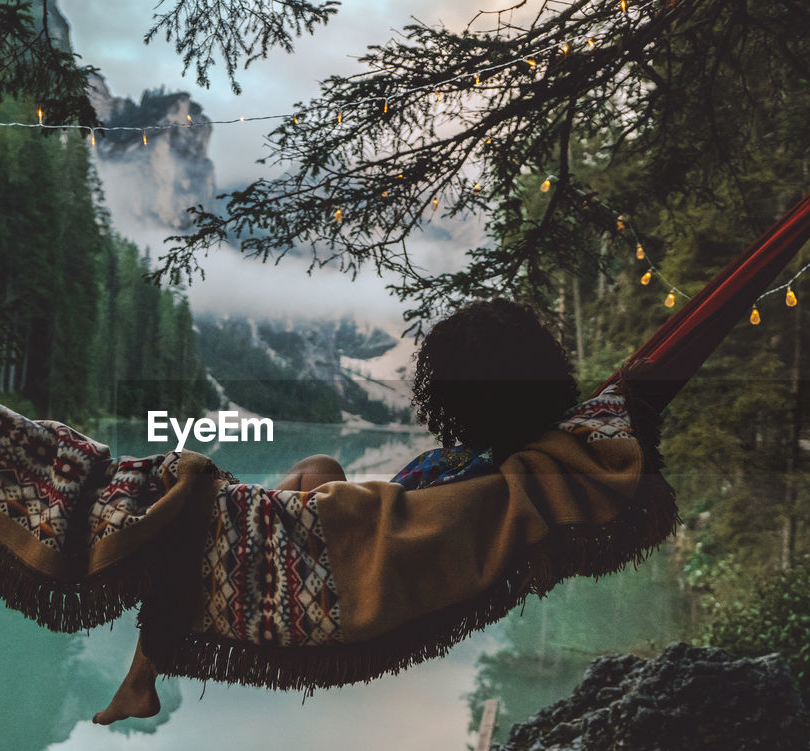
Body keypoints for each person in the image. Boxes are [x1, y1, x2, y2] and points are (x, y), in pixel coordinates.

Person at [93, 298, 578, 724]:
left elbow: (423, 530)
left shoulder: (489, 475)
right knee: (314, 466)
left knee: (200, 525)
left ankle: (142, 677)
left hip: (351, 561)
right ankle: (249, 535)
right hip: (356, 534)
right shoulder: (496, 456)